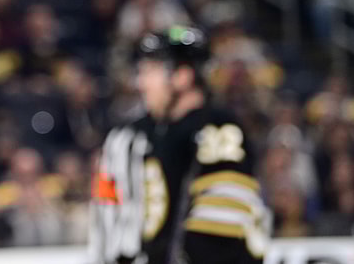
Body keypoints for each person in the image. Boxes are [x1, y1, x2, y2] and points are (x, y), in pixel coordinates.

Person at [89, 26, 270, 264]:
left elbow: (222, 232)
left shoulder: (217, 129)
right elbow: (107, 211)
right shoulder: (129, 136)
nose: (142, 83)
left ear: (182, 76)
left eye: (151, 71)